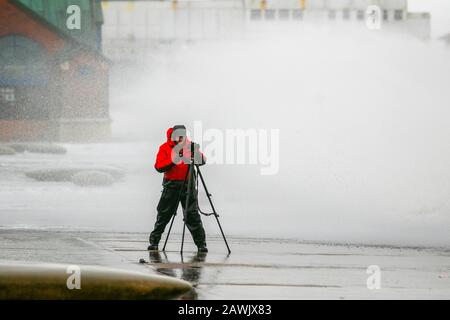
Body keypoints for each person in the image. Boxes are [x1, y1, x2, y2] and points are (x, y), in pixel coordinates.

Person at [148, 125, 208, 253]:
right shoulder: (165, 147)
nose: (181, 138)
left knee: (192, 215)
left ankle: (201, 245)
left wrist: (195, 152)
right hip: (171, 185)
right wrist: (173, 160)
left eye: (183, 135)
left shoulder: (190, 146)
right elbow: (158, 167)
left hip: (188, 185)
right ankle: (154, 242)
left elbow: (203, 161)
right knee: (164, 214)